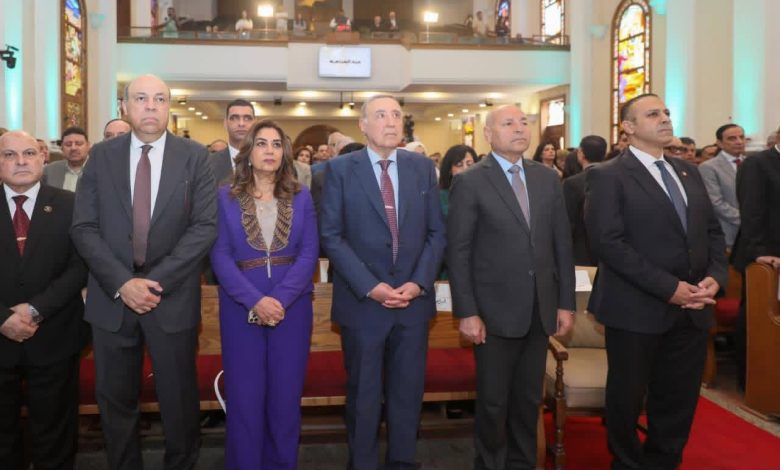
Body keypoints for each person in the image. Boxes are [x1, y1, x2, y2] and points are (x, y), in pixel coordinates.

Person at [70, 74, 217, 470]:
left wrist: (155, 282)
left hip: (171, 296)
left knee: (179, 401)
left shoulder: (195, 156)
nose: (151, 106)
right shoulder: (102, 156)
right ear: (124, 107)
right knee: (115, 401)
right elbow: (83, 227)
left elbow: (204, 228)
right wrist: (123, 283)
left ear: (169, 106)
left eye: (159, 99)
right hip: (112, 297)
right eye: (140, 98)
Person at [584, 93, 727, 470]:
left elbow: (712, 232)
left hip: (693, 307)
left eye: (665, 112)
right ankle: (627, 463)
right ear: (628, 128)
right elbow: (608, 243)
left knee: (678, 398)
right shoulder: (608, 175)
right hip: (636, 308)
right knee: (627, 397)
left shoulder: (688, 171)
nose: (664, 118)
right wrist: (669, 288)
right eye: (652, 114)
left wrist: (715, 277)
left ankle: (664, 462)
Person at [319, 95, 446, 469]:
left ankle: (402, 462)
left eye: (396, 115)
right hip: (363, 304)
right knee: (364, 395)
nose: (390, 122)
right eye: (380, 115)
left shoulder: (421, 168)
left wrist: (419, 283)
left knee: (407, 394)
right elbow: (331, 236)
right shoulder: (339, 170)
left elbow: (437, 233)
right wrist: (370, 285)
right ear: (363, 125)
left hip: (412, 303)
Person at [447, 105, 575, 469]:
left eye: (524, 122)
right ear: (488, 134)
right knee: (493, 403)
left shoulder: (547, 178)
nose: (519, 129)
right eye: (508, 123)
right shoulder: (471, 181)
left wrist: (565, 302)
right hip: (492, 312)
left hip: (539, 309)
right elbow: (458, 252)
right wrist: (467, 312)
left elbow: (562, 245)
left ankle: (523, 464)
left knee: (529, 400)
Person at [210, 120, 318, 469]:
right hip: (240, 307)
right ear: (248, 152)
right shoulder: (224, 196)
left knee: (285, 397)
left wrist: (280, 299)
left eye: (276, 144)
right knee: (244, 397)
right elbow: (220, 255)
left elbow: (309, 252)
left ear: (284, 153)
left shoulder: (301, 195)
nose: (269, 150)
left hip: (293, 308)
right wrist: (255, 300)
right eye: (261, 143)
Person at [0, 131, 87, 470]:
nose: (20, 161)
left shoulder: (71, 203)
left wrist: (36, 309)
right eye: (9, 155)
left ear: (43, 158)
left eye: (28, 153)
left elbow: (81, 265)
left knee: (55, 436)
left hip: (55, 335)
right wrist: (3, 317)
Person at [731, 124, 780, 392]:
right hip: (764, 257)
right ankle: (752, 380)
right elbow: (751, 210)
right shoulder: (758, 164)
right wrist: (760, 252)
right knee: (757, 317)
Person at [699, 123, 744, 250]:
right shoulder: (709, 167)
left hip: (755, 234)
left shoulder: (752, 163)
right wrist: (747, 219)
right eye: (732, 138)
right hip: (727, 234)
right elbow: (715, 202)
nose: (739, 142)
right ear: (719, 143)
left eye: (741, 137)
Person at [563, 135, 607, 266]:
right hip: (611, 253)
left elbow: (567, 222)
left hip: (582, 252)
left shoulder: (572, 183)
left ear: (581, 154)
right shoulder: (618, 178)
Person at [211, 99, 255, 185]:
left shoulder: (267, 160)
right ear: (225, 123)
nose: (241, 124)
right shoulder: (209, 163)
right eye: (234, 118)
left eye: (247, 118)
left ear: (255, 124)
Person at [43, 126, 90, 192]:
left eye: (78, 144)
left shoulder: (100, 169)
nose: (73, 148)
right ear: (62, 148)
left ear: (88, 146)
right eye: (68, 144)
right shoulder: (49, 171)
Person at [438, 144, 476, 216]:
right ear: (449, 169)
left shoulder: (483, 193)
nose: (465, 168)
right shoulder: (441, 197)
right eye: (459, 165)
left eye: (469, 164)